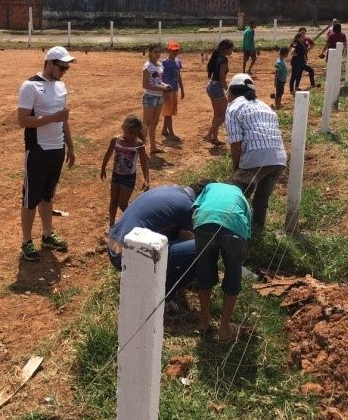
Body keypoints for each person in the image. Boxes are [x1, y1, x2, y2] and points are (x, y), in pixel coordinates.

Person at [106, 182, 210, 314]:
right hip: (126, 256)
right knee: (201, 248)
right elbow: (187, 241)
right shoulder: (188, 206)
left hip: (113, 247)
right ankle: (163, 299)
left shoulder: (170, 190)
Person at [17, 46, 76, 261]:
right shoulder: (30, 86)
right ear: (49, 63)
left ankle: (47, 235)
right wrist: (53, 118)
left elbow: (64, 120)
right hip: (38, 150)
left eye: (66, 68)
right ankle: (26, 241)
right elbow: (23, 120)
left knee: (48, 195)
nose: (63, 71)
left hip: (56, 149)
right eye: (61, 67)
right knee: (30, 198)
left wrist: (70, 146)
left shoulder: (61, 86)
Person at [226, 74, 288, 235]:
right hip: (279, 157)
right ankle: (257, 231)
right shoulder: (264, 106)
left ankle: (232, 233)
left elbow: (236, 142)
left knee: (233, 195)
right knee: (261, 199)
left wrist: (236, 168)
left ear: (232, 91)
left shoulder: (234, 108)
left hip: (257, 155)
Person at [193, 182, 252, 342]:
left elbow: (196, 206)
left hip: (204, 222)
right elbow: (246, 230)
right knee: (233, 273)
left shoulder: (210, 186)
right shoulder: (242, 198)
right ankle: (224, 329)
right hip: (234, 227)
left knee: (204, 271)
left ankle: (203, 321)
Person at [100, 115, 150, 227]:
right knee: (113, 201)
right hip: (116, 175)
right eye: (130, 133)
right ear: (123, 128)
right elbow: (108, 154)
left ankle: (136, 219)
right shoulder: (115, 140)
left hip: (129, 177)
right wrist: (103, 168)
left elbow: (143, 163)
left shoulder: (139, 145)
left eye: (135, 134)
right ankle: (112, 225)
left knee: (122, 204)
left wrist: (146, 179)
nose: (132, 136)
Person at [142, 44, 172, 155]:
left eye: (159, 52)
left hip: (158, 96)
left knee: (154, 123)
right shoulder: (147, 66)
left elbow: (158, 81)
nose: (157, 54)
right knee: (146, 123)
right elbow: (145, 85)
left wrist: (165, 85)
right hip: (150, 96)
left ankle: (153, 147)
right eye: (155, 52)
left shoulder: (160, 65)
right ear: (150, 52)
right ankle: (142, 148)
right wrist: (162, 88)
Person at [204, 39, 234, 146]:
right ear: (225, 49)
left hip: (211, 86)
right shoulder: (224, 60)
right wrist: (228, 91)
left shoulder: (217, 57)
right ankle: (209, 135)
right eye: (231, 48)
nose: (232, 50)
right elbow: (222, 77)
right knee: (223, 115)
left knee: (217, 114)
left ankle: (214, 138)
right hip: (217, 88)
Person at [161, 41, 185, 141]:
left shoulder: (178, 62)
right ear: (169, 50)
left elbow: (178, 75)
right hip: (166, 90)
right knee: (168, 113)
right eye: (174, 50)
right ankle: (171, 133)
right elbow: (159, 77)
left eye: (177, 50)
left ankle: (164, 130)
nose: (176, 52)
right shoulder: (163, 63)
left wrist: (182, 88)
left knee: (170, 111)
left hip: (175, 89)